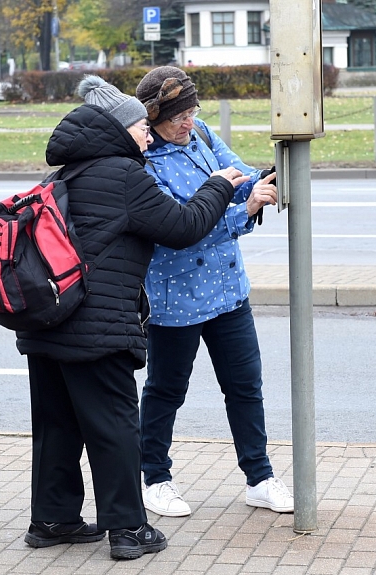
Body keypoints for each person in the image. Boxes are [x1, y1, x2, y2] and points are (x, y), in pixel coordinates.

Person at [16, 75, 246, 560]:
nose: (148, 132)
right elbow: (183, 226)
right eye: (142, 125)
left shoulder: (63, 174)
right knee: (116, 425)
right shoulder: (124, 175)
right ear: (120, 129)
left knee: (57, 424)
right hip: (96, 328)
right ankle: (128, 530)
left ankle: (52, 519)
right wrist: (219, 185)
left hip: (47, 323)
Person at [135, 66, 293, 517]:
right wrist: (243, 209)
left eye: (191, 110)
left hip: (227, 291)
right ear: (153, 119)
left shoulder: (201, 133)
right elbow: (181, 226)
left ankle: (259, 477)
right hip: (175, 299)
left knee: (245, 387)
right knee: (166, 390)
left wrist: (266, 180)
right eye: (176, 117)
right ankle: (155, 478)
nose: (187, 123)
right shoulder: (144, 163)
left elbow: (238, 172)